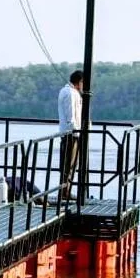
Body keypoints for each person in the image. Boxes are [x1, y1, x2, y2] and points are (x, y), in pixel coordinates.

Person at [57, 69, 85, 198]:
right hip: (71, 134)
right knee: (68, 164)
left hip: (72, 133)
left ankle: (66, 190)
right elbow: (70, 115)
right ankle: (64, 191)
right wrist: (76, 130)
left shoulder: (71, 92)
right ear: (79, 82)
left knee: (71, 164)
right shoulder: (70, 93)